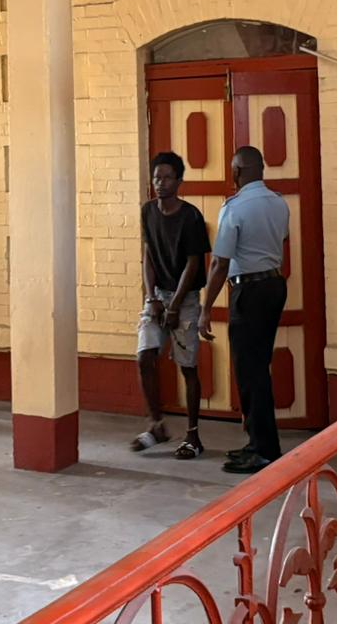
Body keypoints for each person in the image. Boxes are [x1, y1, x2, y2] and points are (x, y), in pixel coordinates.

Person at [201, 146, 290, 474]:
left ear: (237, 171)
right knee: (258, 366)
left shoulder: (234, 208)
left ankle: (264, 450)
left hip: (249, 292)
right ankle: (257, 442)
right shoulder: (279, 203)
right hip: (274, 286)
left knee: (250, 371)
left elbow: (220, 264)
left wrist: (205, 309)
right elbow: (282, 240)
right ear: (261, 169)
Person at [131, 151, 213, 460]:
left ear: (179, 181)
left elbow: (194, 264)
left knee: (187, 366)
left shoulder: (191, 217)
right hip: (158, 295)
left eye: (167, 178)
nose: (160, 183)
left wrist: (175, 305)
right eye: (157, 177)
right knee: (144, 356)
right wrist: (152, 298)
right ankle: (157, 425)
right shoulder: (147, 212)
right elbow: (148, 256)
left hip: (185, 298)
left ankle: (193, 435)